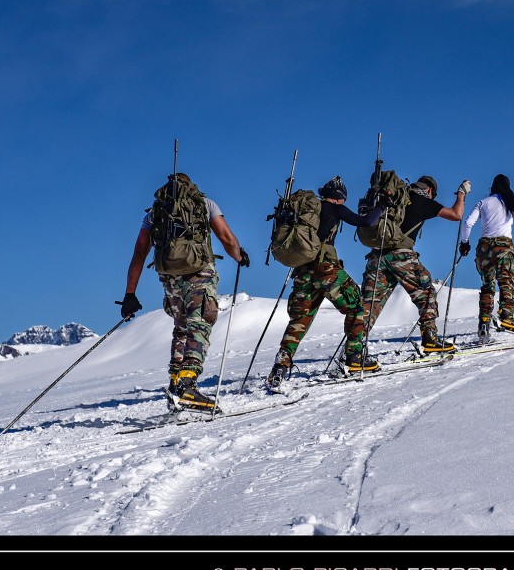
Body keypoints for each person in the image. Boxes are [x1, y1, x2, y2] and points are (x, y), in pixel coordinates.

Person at [119, 173, 249, 412]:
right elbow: (226, 237)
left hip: (169, 278)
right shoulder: (204, 204)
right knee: (200, 323)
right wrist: (239, 256)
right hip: (199, 273)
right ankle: (188, 385)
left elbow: (139, 253)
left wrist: (130, 294)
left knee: (181, 326)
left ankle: (176, 385)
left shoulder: (154, 213)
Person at [266, 176, 384, 388]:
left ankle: (280, 366)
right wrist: (382, 206)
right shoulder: (334, 208)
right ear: (340, 197)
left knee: (299, 320)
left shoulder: (306, 212)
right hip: (325, 268)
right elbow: (366, 222)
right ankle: (355, 358)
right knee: (356, 305)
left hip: (302, 271)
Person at [359, 174, 470, 355]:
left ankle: (353, 352)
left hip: (377, 256)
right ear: (429, 190)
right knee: (426, 291)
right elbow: (456, 215)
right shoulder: (422, 200)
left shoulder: (393, 199)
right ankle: (430, 338)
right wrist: (461, 194)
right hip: (401, 256)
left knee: (370, 304)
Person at [458, 174, 514, 339]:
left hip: (483, 249)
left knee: (487, 286)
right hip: (503, 247)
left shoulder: (482, 202)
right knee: (507, 281)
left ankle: (483, 325)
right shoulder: (511, 201)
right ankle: (506, 316)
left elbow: (468, 223)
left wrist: (464, 243)